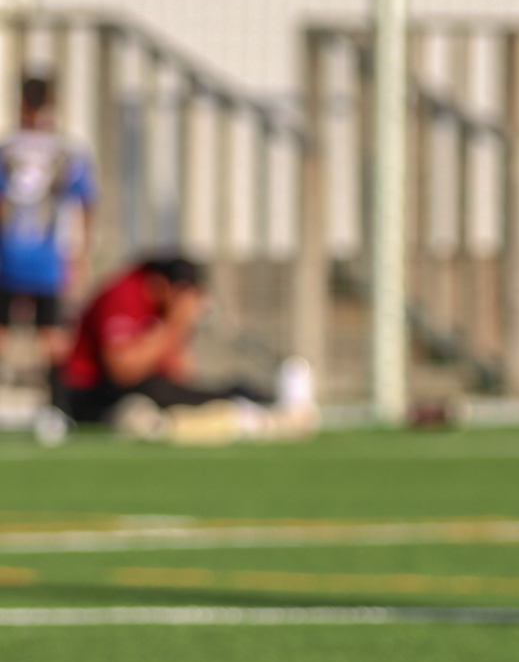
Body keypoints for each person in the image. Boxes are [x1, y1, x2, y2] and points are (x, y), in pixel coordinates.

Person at [55, 255, 312, 443]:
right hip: (89, 392)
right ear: (162, 285)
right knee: (157, 391)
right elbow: (123, 370)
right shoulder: (123, 295)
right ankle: (245, 407)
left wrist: (180, 328)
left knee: (185, 393)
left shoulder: (163, 305)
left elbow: (180, 373)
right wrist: (175, 323)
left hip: (137, 386)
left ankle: (247, 401)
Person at [0, 75, 96, 403]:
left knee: (6, 329)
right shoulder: (68, 150)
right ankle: (57, 405)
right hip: (48, 256)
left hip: (10, 252)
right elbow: (86, 203)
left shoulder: (8, 148)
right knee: (52, 333)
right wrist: (82, 253)